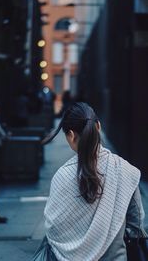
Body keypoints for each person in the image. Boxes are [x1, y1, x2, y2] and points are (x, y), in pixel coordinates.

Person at [42, 102, 146, 261]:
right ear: (98, 126)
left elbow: (53, 228)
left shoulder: (62, 176)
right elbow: (136, 223)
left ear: (70, 134)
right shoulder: (124, 170)